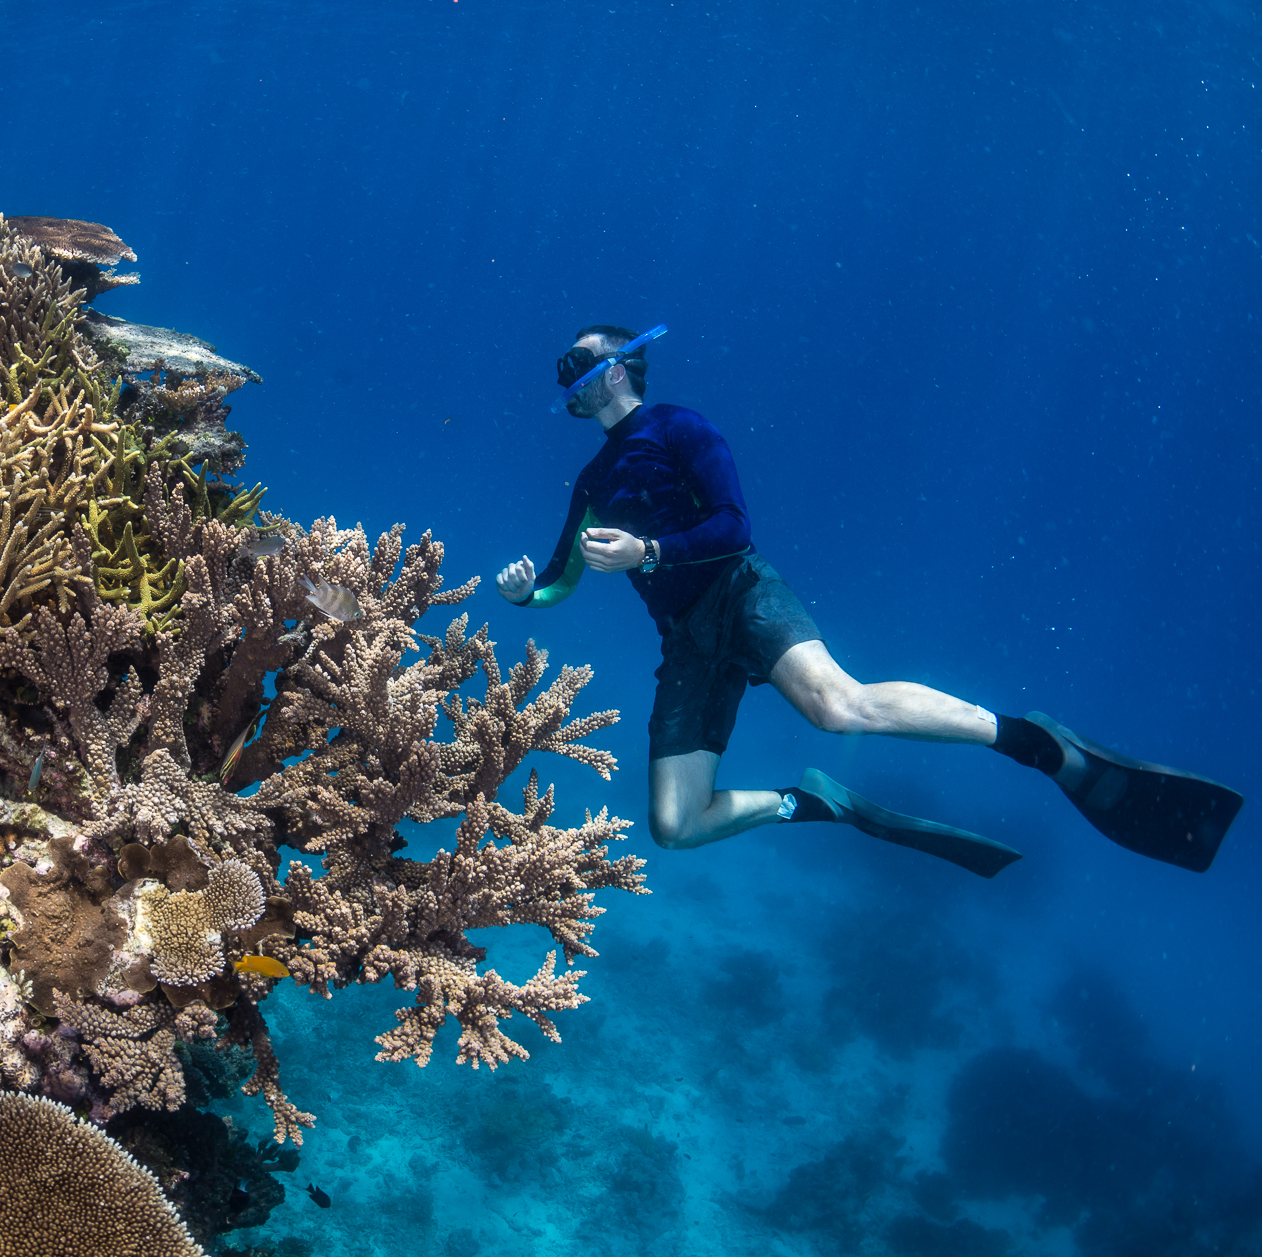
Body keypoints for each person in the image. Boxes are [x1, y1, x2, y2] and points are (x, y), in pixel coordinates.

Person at [494, 324, 1242, 876]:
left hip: (740, 589)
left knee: (837, 707)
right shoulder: (594, 479)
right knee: (675, 826)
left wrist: (650, 552)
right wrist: (531, 594)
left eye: (585, 361)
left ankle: (1031, 743)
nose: (572, 373)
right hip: (685, 637)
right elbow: (562, 574)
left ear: (623, 368)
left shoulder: (679, 427)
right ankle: (813, 804)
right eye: (570, 368)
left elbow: (734, 525)